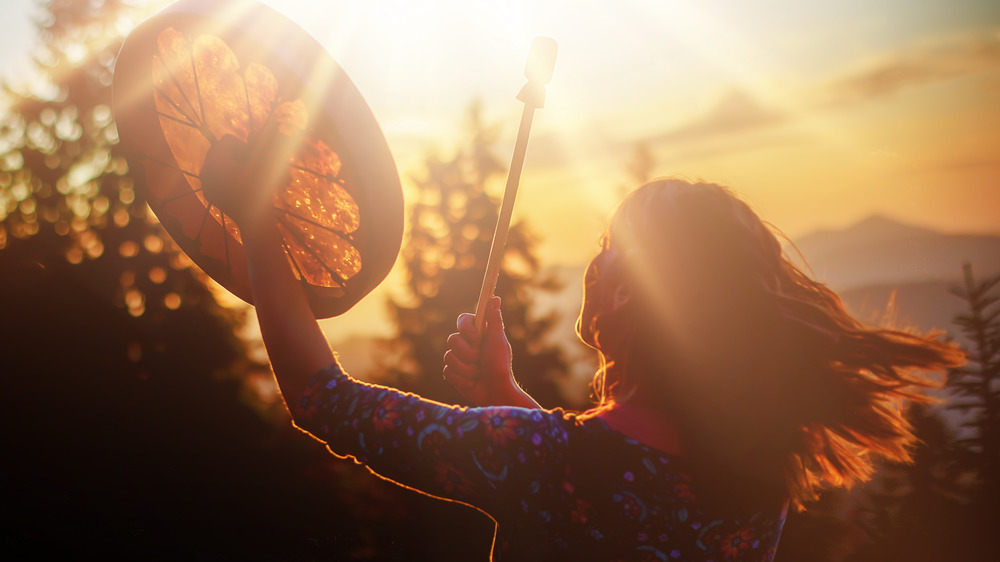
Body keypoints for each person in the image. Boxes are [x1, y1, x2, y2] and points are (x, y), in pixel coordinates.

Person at [201, 137, 964, 561]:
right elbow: (602, 503)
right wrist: (507, 392)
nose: (593, 262)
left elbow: (317, 397)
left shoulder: (536, 458)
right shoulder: (755, 482)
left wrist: (258, 220)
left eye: (607, 247)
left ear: (629, 293)